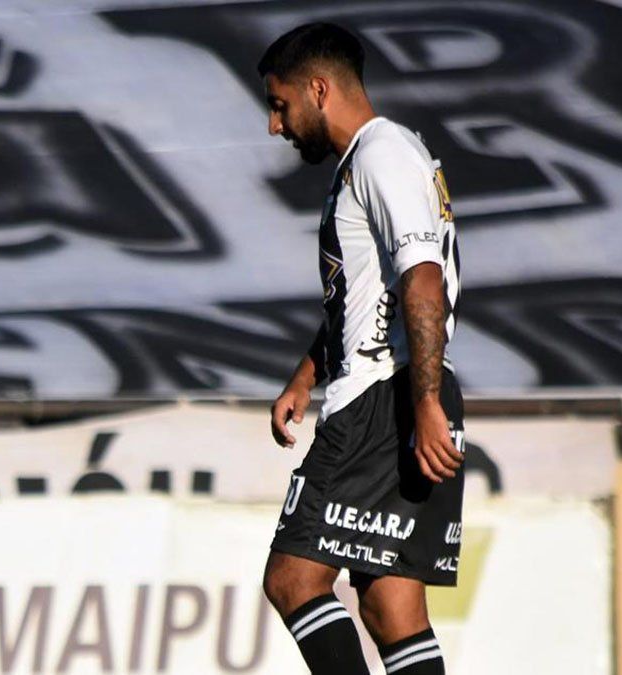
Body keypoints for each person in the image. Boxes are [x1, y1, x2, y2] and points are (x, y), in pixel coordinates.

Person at [259, 23, 464, 675]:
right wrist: (305, 375)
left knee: (293, 579)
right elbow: (363, 293)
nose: (275, 124)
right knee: (389, 607)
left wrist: (423, 401)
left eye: (280, 103)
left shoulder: (382, 154)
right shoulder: (376, 160)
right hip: (399, 388)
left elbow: (421, 279)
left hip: (385, 398)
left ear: (319, 90)